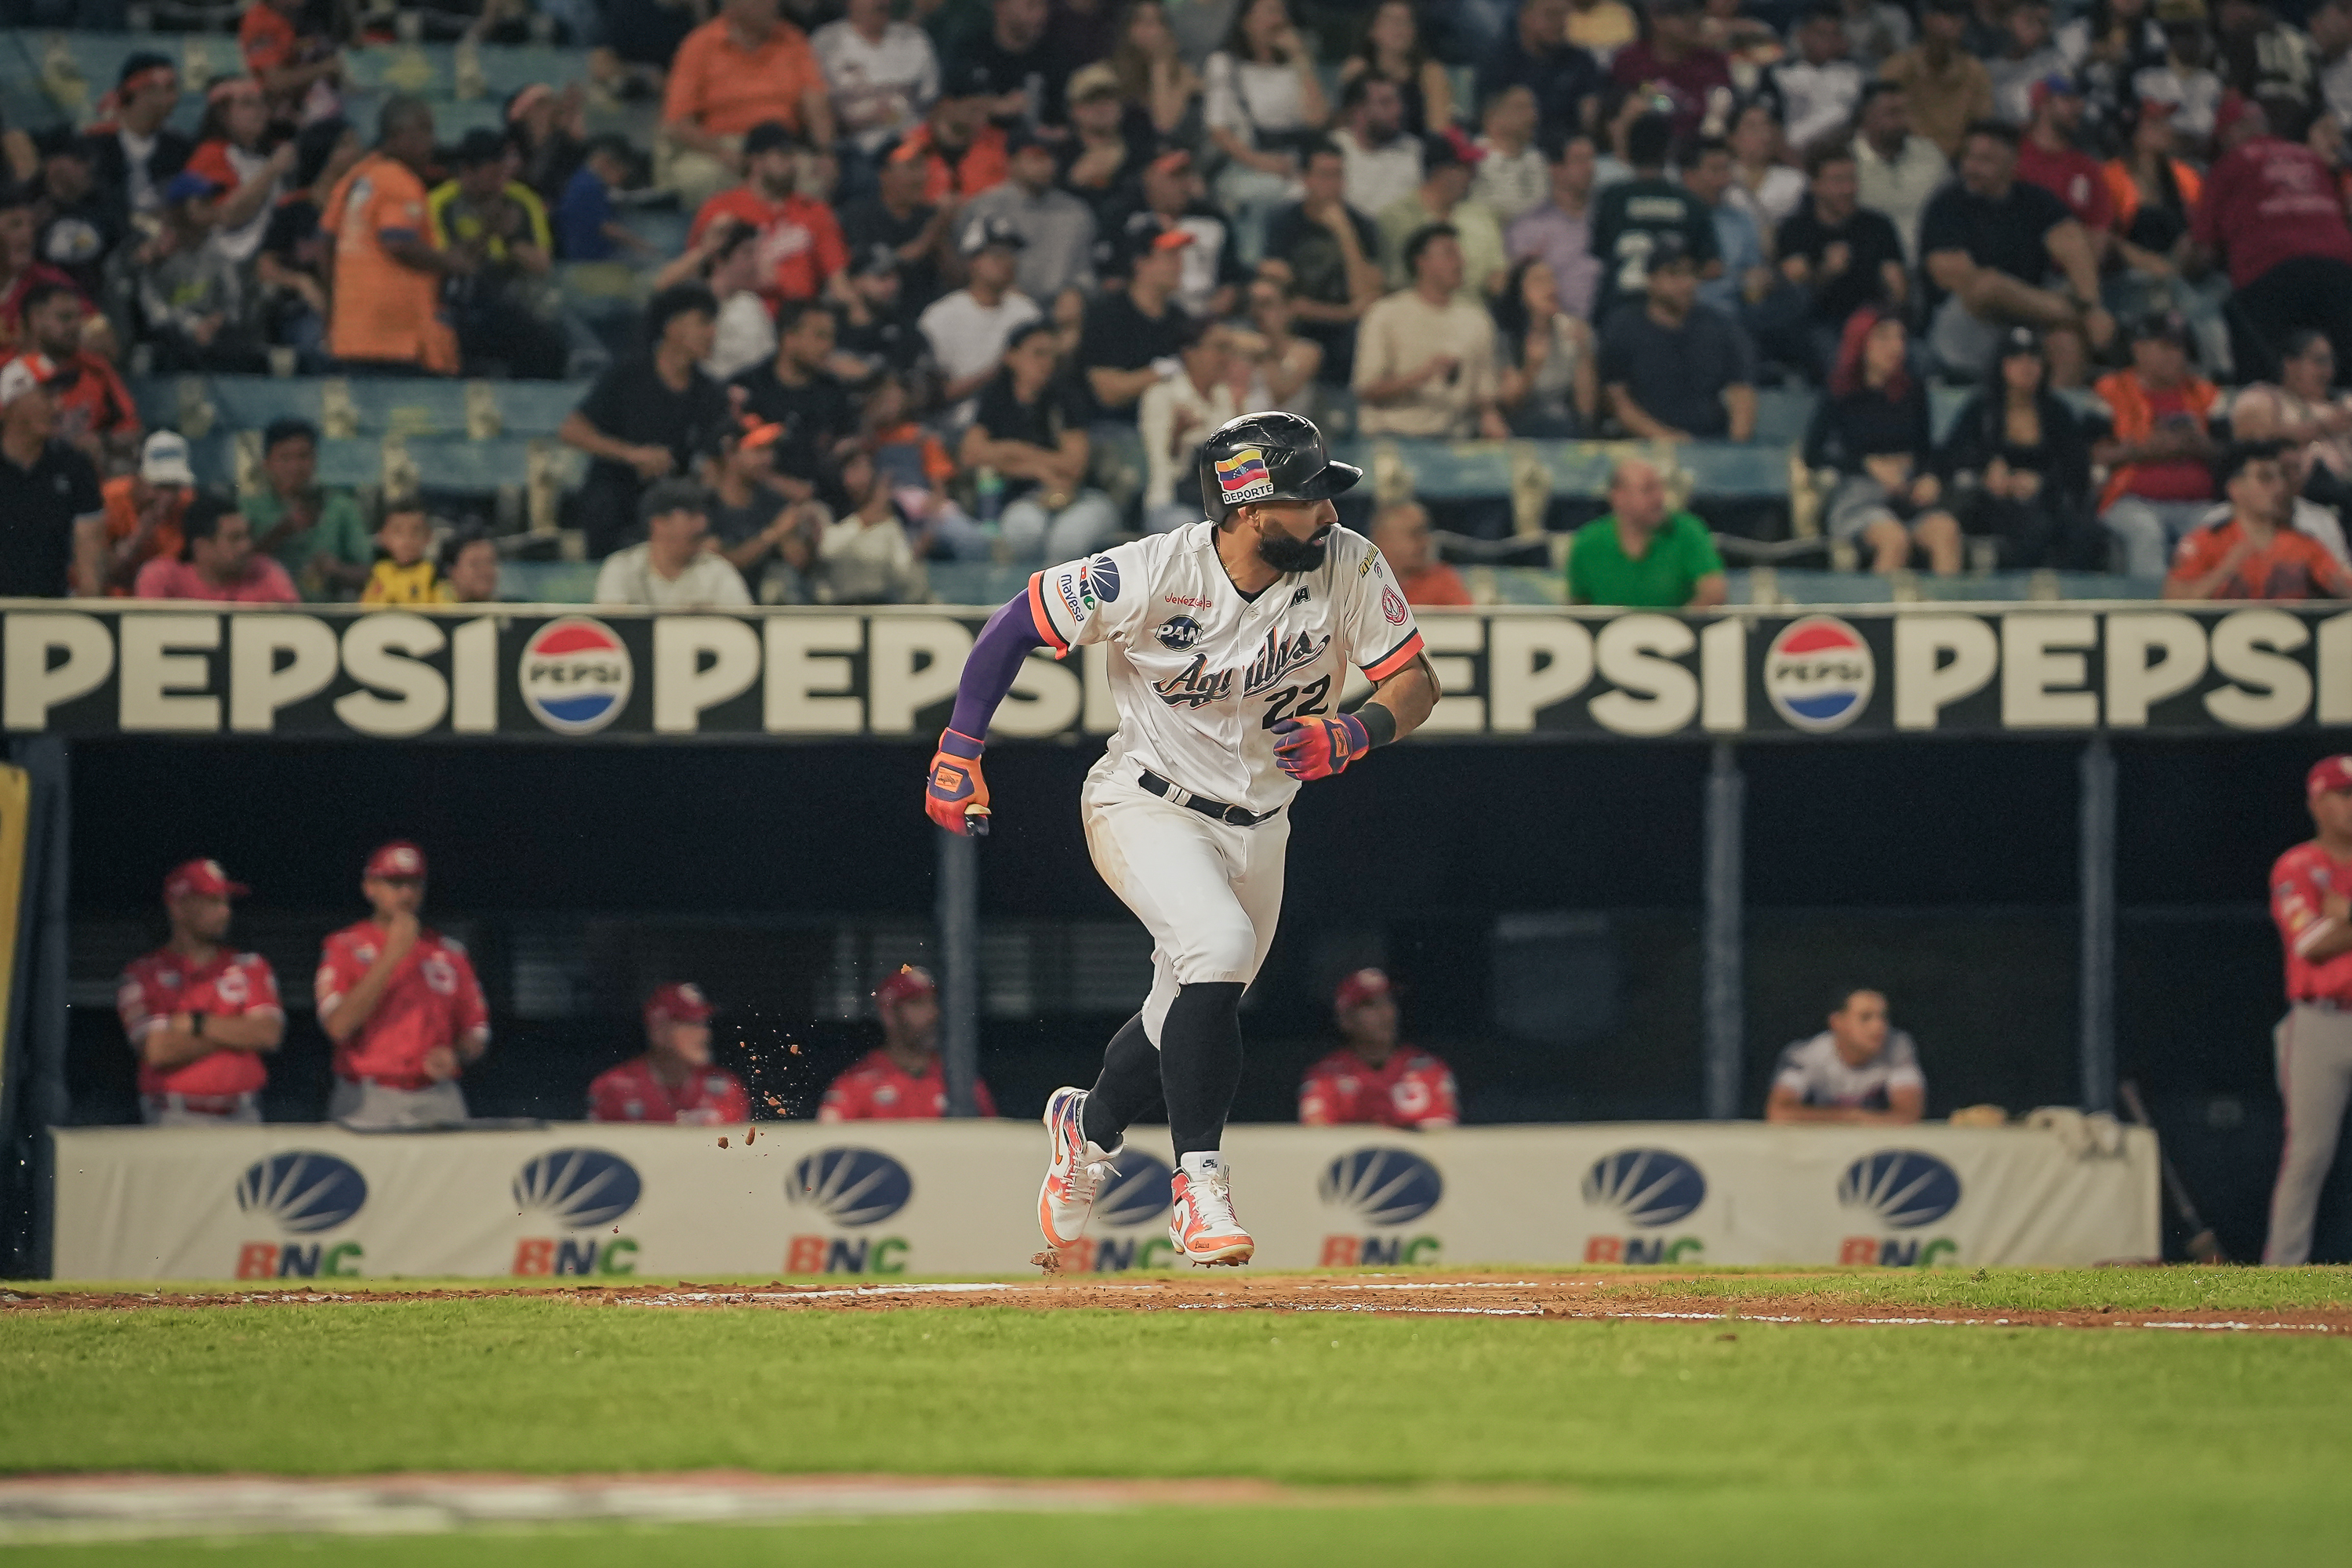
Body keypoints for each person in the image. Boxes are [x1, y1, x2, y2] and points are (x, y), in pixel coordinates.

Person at [924, 411, 1438, 1266]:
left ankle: (1084, 1125)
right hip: (1147, 802)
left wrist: (1357, 732)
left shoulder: (1348, 560)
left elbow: (1415, 682)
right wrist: (959, 747)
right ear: (1245, 506)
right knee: (1218, 946)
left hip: (1263, 825)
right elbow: (1018, 620)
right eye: (1305, 496)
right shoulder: (1156, 569)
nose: (1328, 511)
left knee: (1185, 1006)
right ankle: (1198, 1185)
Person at [316, 841, 490, 1130]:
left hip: (436, 1093)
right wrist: (393, 954)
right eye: (395, 883)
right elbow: (338, 1026)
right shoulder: (343, 946)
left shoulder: (450, 953)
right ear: (370, 887)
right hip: (368, 1095)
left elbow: (477, 1030)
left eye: (414, 883)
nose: (407, 893)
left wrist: (455, 1054)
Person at [1918, 120, 2112, 378]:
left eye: (1985, 160)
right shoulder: (1946, 205)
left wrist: (2092, 303)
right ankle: (2078, 318)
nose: (1971, 168)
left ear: (2013, 164)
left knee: (2067, 343)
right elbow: (1974, 289)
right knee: (1988, 285)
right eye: (1968, 157)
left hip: (2033, 316)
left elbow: (2073, 246)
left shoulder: (2035, 200)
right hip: (1970, 324)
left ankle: (2057, 415)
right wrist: (2080, 314)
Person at [561, 283, 731, 558]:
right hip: (619, 491)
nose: (711, 333)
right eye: (703, 323)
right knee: (602, 504)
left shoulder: (709, 392)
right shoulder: (627, 376)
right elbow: (572, 430)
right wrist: (632, 455)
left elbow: (713, 458)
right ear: (673, 327)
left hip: (675, 501)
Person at [2191, 96, 2352, 386]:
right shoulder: (2309, 156)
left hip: (2269, 274)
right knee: (2342, 375)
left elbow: (2203, 247)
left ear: (2230, 133)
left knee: (2267, 381)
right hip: (2339, 271)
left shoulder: (2230, 163)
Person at [2261, 755, 2352, 1265]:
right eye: (2343, 795)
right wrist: (2335, 921)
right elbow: (2312, 942)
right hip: (2321, 1022)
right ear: (2317, 802)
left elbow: (2332, 929)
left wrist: (2344, 913)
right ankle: (2282, 1274)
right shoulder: (2299, 865)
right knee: (2308, 1155)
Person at [117, 858, 284, 1127]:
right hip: (174, 1117)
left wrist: (197, 1024)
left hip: (244, 1115)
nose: (225, 911)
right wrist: (237, 1034)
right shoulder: (141, 974)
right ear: (178, 908)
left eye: (226, 902)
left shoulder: (251, 965)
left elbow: (268, 1034)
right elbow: (158, 1049)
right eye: (212, 902)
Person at [1807, 310, 1960, 573]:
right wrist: (1869, 466)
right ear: (1862, 343)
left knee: (1945, 530)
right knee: (1894, 539)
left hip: (1907, 495)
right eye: (1884, 338)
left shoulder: (1913, 392)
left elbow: (1925, 449)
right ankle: (1879, 613)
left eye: (1900, 338)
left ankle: (1944, 612)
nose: (1896, 347)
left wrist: (1929, 476)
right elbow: (1813, 454)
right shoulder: (1840, 393)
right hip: (1859, 497)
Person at [1937, 325, 2095, 568]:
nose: (2026, 366)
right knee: (2030, 528)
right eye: (2016, 358)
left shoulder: (2057, 413)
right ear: (2002, 365)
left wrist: (2041, 482)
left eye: (2033, 358)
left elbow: (2077, 468)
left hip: (2046, 502)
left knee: (2081, 530)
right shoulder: (1981, 409)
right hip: (1992, 506)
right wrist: (1986, 469)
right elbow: (1949, 457)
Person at [963, 320, 1118, 559]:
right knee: (1023, 530)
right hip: (1023, 498)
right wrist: (1037, 469)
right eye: (1038, 354)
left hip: (1080, 497)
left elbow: (1074, 465)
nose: (1046, 363)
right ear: (1012, 357)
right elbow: (971, 454)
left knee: (1066, 540)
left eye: (1052, 356)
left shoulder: (1066, 397)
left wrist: (1011, 453)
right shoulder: (996, 396)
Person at [661, 0, 834, 211]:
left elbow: (815, 102)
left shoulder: (792, 39)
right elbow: (678, 121)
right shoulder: (699, 44)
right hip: (720, 145)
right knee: (705, 179)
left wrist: (827, 152)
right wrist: (722, 153)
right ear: (733, 6)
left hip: (780, 144)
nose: (773, 6)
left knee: (813, 179)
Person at [428, 129, 566, 380]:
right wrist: (487, 232)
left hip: (514, 303)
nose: (500, 183)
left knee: (549, 339)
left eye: (503, 174)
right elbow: (448, 264)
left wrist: (510, 238)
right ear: (467, 173)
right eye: (492, 175)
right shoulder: (440, 203)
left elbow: (542, 265)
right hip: (459, 306)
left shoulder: (523, 201)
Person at [1204, 0, 1333, 264]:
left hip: (1293, 163)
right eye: (1268, 12)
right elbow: (1218, 128)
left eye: (1281, 12)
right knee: (1270, 198)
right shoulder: (1225, 64)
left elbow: (1317, 119)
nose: (1276, 20)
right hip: (1246, 162)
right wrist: (1261, 162)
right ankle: (1257, 269)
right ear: (1246, 21)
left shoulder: (1294, 67)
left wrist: (1301, 60)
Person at [1598, 230, 1758, 441]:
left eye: (1691, 273)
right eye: (1674, 274)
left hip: (1711, 444)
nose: (1686, 283)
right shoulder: (1623, 327)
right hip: (1644, 446)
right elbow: (1617, 400)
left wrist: (1733, 449)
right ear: (1651, 279)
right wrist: (1669, 440)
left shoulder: (1720, 327)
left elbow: (1741, 392)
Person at [1354, 225, 1508, 440]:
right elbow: (1367, 391)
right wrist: (1423, 375)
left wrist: (1489, 416)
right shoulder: (1385, 313)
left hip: (1455, 435)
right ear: (1421, 262)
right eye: (1449, 253)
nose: (1460, 262)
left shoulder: (1477, 319)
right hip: (1392, 433)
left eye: (1460, 254)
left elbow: (1484, 393)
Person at [2096, 313, 2220, 577]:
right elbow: (2090, 454)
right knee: (2146, 530)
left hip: (2197, 505)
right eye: (2165, 347)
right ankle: (2150, 615)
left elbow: (2232, 452)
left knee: (2218, 525)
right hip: (2130, 501)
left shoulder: (2204, 393)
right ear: (2138, 349)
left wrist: (2198, 445)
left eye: (2180, 348)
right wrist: (2144, 450)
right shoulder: (2110, 390)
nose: (2175, 356)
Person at [1771, 140, 1907, 379]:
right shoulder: (1795, 229)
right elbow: (1794, 298)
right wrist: (1825, 272)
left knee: (1916, 359)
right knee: (1837, 358)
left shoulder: (1877, 226)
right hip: (1819, 324)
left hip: (1871, 320)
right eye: (1837, 181)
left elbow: (1898, 290)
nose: (1847, 189)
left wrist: (1896, 289)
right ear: (1815, 185)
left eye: (1851, 180)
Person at [686, 122, 851, 310]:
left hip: (799, 318)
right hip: (738, 310)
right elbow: (698, 274)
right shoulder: (720, 208)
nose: (791, 162)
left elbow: (838, 279)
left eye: (792, 155)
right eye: (783, 155)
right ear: (756, 161)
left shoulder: (814, 210)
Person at [1263, 140, 1385, 386]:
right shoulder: (1284, 222)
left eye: (1338, 175)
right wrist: (1345, 312)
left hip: (1345, 328)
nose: (1333, 184)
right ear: (1305, 178)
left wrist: (1344, 232)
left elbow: (1365, 298)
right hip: (1298, 324)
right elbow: (1283, 294)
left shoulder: (1362, 226)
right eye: (1324, 175)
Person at [2166, 441, 2352, 598]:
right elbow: (2172, 601)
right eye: (2266, 479)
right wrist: (2226, 569)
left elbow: (2342, 584)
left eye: (2281, 479)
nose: (2278, 488)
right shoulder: (2206, 542)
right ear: (2235, 489)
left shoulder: (2304, 544)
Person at [1588, 111, 1720, 325]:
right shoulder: (1690, 202)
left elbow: (1597, 253)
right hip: (1674, 314)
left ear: (1629, 150)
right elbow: (1713, 266)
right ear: (1668, 151)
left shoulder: (1611, 198)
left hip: (1617, 309)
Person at [818, 966, 997, 1118]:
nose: (933, 1013)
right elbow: (827, 1144)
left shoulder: (960, 1081)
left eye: (934, 1003)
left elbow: (992, 1143)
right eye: (918, 1004)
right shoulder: (856, 1083)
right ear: (889, 1014)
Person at [1299, 968, 1460, 1129]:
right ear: (1345, 1019)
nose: (1386, 1013)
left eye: (1389, 1002)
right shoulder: (1325, 1076)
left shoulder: (1429, 1069)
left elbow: (1442, 1140)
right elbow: (1317, 1141)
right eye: (1370, 1005)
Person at [0, 356, 105, 599]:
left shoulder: (74, 468)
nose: (58, 407)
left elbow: (90, 565)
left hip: (51, 615)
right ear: (13, 402)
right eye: (47, 396)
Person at [920, 217, 1044, 422]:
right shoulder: (941, 316)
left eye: (1011, 254)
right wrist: (998, 372)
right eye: (997, 255)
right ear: (973, 262)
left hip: (1020, 423)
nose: (1007, 261)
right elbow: (934, 396)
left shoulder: (1027, 312)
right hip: (957, 424)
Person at [1566, 454, 1729, 606]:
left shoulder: (1687, 530)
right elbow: (1578, 607)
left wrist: (1675, 629)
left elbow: (1714, 593)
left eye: (1660, 488)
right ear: (1619, 497)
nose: (1659, 498)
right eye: (1648, 489)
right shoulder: (1588, 543)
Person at [733, 300, 858, 493]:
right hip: (757, 497)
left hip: (823, 501)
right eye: (820, 336)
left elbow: (847, 446)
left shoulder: (834, 392)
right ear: (789, 337)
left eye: (831, 337)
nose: (828, 346)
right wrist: (783, 486)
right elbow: (732, 458)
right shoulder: (749, 387)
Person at [962, 127, 1098, 305]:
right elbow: (967, 267)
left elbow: (1086, 272)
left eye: (1050, 157)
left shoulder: (1076, 211)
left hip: (1060, 312)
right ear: (1012, 162)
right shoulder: (986, 207)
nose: (1046, 165)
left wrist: (1076, 292)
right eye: (1036, 157)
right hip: (1002, 307)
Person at [244, 418, 373, 601]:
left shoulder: (341, 507)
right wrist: (281, 531)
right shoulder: (249, 507)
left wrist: (336, 569)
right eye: (285, 458)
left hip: (326, 617)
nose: (295, 467)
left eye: (303, 456)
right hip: (265, 615)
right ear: (267, 464)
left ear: (315, 460)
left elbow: (369, 573)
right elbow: (235, 567)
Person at [1077, 227, 1195, 424]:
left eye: (1179, 257)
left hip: (1165, 423)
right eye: (1169, 257)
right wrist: (1162, 372)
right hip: (1112, 426)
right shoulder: (1108, 314)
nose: (1179, 265)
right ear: (1141, 263)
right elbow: (1108, 393)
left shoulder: (1178, 318)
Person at [590, 982, 751, 1124]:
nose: (704, 1034)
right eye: (690, 1023)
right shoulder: (614, 1087)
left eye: (703, 1024)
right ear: (658, 1031)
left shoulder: (726, 1088)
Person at [21, 280, 136, 474]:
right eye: (65, 318)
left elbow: (131, 430)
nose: (75, 327)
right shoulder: (10, 372)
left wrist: (101, 441)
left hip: (85, 481)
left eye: (78, 318)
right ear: (36, 319)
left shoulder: (97, 370)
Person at [1140, 316, 1242, 534]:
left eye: (1228, 350)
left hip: (1220, 503)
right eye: (1219, 348)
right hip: (1170, 501)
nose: (1226, 358)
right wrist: (1178, 435)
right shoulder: (1161, 395)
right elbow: (1160, 462)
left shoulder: (1226, 396)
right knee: (1195, 532)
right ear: (1190, 353)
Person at [1119, 150, 1248, 322]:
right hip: (1144, 313)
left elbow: (1232, 278)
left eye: (1185, 176)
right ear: (1149, 178)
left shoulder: (1214, 220)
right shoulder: (1126, 218)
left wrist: (1220, 305)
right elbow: (1114, 277)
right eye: (1173, 177)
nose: (1183, 184)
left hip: (1205, 318)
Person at [1765, 985, 1926, 1123]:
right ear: (1837, 1022)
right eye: (1866, 1017)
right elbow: (1779, 1114)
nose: (1879, 1026)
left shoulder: (1898, 1048)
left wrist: (1851, 1119)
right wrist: (1852, 1117)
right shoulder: (1804, 1055)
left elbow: (1908, 1116)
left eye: (1883, 1017)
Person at [1378, 131, 1508, 298]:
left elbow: (1497, 279)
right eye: (1465, 168)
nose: (1473, 175)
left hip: (1474, 314)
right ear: (1440, 171)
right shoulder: (1396, 218)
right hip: (1416, 314)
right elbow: (1394, 283)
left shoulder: (1482, 217)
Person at [814, 0, 939, 172]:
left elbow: (932, 102)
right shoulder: (827, 41)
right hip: (854, 150)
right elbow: (818, 106)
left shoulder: (914, 39)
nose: (880, 3)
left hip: (912, 147)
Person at [185, 78, 294, 270]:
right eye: (247, 104)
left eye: (262, 103)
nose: (260, 110)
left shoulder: (267, 154)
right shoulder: (210, 154)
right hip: (226, 267)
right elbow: (227, 216)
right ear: (222, 114)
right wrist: (272, 170)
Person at [595, 479, 757, 606]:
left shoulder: (717, 571)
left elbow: (744, 622)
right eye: (692, 515)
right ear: (659, 524)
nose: (703, 524)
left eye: (703, 515)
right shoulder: (622, 568)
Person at [843, 133, 956, 312]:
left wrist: (942, 232)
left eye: (923, 167)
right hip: (878, 315)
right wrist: (932, 233)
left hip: (927, 313)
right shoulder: (859, 215)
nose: (921, 177)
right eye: (912, 167)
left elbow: (956, 278)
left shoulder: (930, 216)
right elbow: (876, 269)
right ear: (884, 174)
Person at [85, 53, 194, 234]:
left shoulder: (180, 147)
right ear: (143, 91)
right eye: (169, 88)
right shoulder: (96, 143)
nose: (175, 97)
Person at [132, 492, 301, 604]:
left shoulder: (265, 571)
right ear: (201, 547)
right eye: (235, 538)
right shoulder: (163, 577)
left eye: (247, 536)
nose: (247, 546)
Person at [1494, 256, 1598, 436]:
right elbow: (1508, 405)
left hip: (1565, 421)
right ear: (1520, 292)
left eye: (1552, 279)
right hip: (1520, 422)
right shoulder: (1507, 336)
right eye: (1538, 281)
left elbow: (1586, 411)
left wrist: (1583, 354)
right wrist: (1531, 368)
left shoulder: (1573, 329)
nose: (1550, 287)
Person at [1507, 135, 1603, 322]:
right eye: (1579, 160)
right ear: (1556, 170)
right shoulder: (1529, 228)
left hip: (1607, 322)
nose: (1589, 168)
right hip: (1556, 326)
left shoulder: (1607, 215)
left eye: (1591, 159)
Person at [1853, 82, 1950, 267]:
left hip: (1932, 262)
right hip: (1871, 266)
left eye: (1905, 112)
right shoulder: (1847, 161)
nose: (1902, 120)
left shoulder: (1931, 154)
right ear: (1867, 115)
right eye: (1892, 113)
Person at [1880, 0, 1994, 158]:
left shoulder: (1975, 72)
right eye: (1944, 16)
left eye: (1955, 18)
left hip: (1957, 159)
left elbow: (1981, 122)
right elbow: (1886, 116)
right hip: (1905, 155)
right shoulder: (1898, 67)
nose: (1949, 25)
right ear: (1927, 20)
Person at [1481, 0, 1603, 143]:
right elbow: (1489, 118)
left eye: (1564, 15)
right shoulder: (1500, 62)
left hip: (1570, 149)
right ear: (1525, 16)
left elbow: (1592, 114)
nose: (1560, 23)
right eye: (1551, 14)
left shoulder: (1581, 62)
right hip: (1518, 148)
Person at [1610, 0, 1734, 142]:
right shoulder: (1630, 61)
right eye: (1682, 14)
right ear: (1656, 18)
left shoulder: (1712, 61)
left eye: (1697, 12)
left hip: (1699, 150)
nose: (1693, 20)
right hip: (1646, 150)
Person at [2015, 75, 2114, 240]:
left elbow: (2100, 228)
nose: (2079, 106)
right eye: (2068, 99)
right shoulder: (2013, 155)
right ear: (2043, 104)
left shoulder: (2085, 166)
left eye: (2080, 99)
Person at [100, 431, 195, 596]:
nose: (167, 497)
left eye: (174, 487)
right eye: (160, 486)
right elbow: (97, 572)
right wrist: (138, 538)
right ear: (139, 478)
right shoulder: (110, 498)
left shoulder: (187, 504)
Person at [1342, 0, 1456, 138]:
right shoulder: (1358, 70)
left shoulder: (1430, 73)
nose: (1399, 28)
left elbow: (1440, 130)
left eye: (1406, 21)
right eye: (1391, 20)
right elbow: (1344, 126)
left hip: (1416, 152)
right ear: (1372, 29)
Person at [1762, 5, 1867, 153]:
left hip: (1842, 152)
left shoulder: (1854, 74)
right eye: (1821, 34)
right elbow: (1771, 124)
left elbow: (1859, 122)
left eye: (1835, 34)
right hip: (1793, 152)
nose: (1828, 41)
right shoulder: (1781, 74)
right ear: (1803, 35)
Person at [1333, 75, 1425, 220]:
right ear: (1358, 111)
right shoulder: (1333, 148)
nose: (1398, 110)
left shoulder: (1416, 151)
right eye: (1386, 103)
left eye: (1399, 102)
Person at [1371, 499, 1473, 605]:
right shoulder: (1361, 582)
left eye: (1425, 533)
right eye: (1415, 534)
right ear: (1384, 538)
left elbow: (1467, 619)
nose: (1425, 542)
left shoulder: (1443, 582)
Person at [360, 503, 451, 605]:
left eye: (416, 532)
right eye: (398, 531)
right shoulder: (378, 573)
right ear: (383, 536)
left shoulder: (434, 574)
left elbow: (445, 614)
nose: (407, 540)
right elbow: (366, 609)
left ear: (428, 536)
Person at [442, 529, 502, 603]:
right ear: (452, 571)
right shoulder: (432, 609)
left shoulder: (513, 610)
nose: (485, 571)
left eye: (490, 562)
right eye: (475, 564)